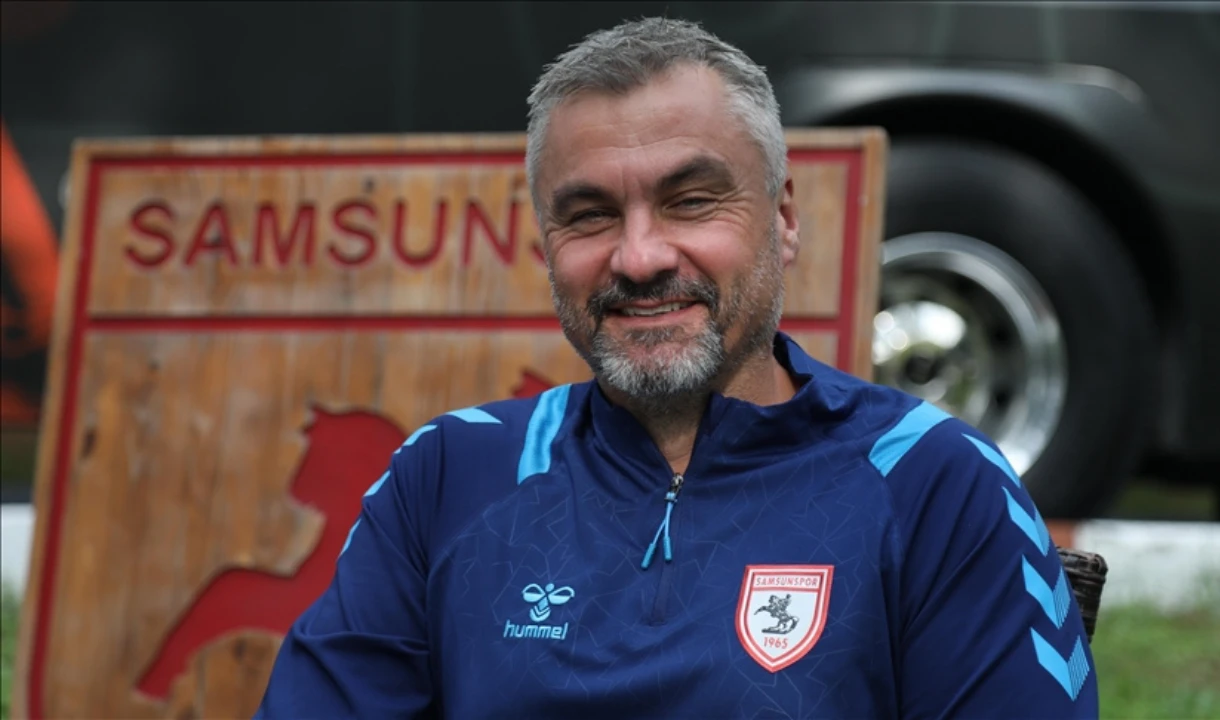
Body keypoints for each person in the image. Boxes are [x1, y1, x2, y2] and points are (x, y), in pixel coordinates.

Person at [255, 17, 1099, 719]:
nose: (640, 256)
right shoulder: (448, 476)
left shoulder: (932, 482)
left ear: (783, 218)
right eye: (590, 215)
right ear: (545, 245)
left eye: (691, 201)